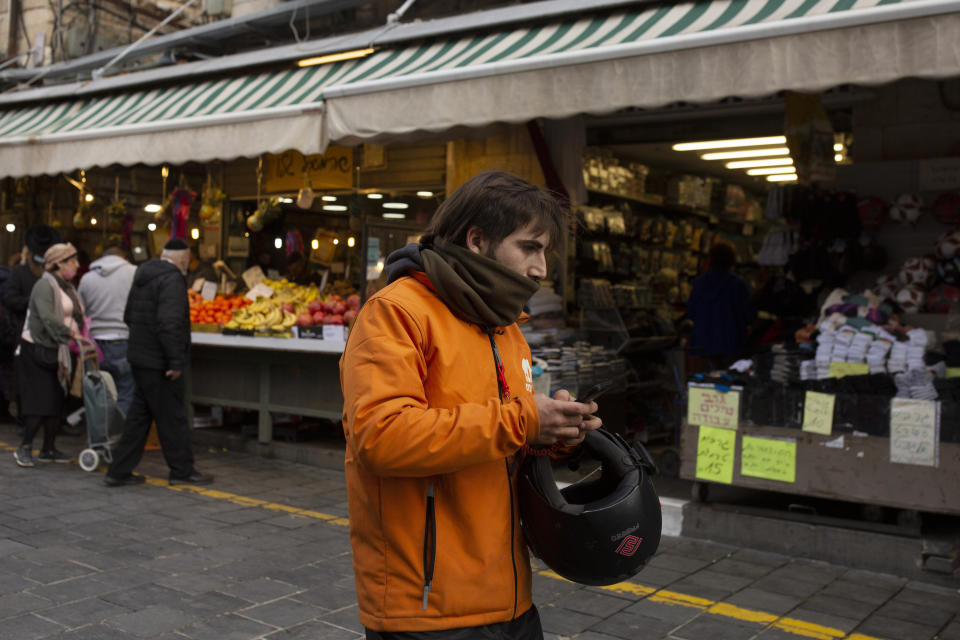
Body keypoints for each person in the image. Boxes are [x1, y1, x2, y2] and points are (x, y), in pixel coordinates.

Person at [339, 171, 601, 639]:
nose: (542, 269)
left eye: (545, 251)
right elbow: (381, 438)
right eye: (529, 248)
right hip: (428, 607)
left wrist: (552, 435)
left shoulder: (507, 327)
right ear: (477, 240)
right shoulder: (396, 313)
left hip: (511, 598)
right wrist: (524, 421)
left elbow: (501, 443)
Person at [103, 238, 213, 487]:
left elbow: (129, 315)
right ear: (183, 259)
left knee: (139, 417)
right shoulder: (172, 279)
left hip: (141, 357)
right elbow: (170, 323)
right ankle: (182, 470)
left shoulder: (143, 275)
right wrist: (175, 361)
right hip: (159, 361)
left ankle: (118, 471)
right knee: (172, 417)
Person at [13, 243, 83, 467]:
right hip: (37, 349)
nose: (77, 265)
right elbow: (47, 317)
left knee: (55, 400)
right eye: (72, 261)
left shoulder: (66, 286)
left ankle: (48, 448)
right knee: (40, 400)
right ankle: (24, 446)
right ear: (59, 264)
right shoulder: (44, 286)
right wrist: (70, 333)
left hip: (58, 349)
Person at [3, 225, 61, 428]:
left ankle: (49, 423)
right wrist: (35, 302)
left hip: (49, 336)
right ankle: (24, 421)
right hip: (25, 333)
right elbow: (10, 298)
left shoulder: (54, 274)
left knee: (49, 382)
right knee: (24, 381)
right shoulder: (19, 273)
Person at [78, 245, 137, 415]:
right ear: (124, 258)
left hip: (94, 342)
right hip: (123, 338)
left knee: (97, 392)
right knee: (125, 391)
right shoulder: (134, 273)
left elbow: (81, 310)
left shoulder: (87, 278)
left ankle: (99, 436)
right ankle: (119, 436)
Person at [686, 242, 756, 371]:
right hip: (732, 342)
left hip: (704, 342)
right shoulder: (738, 285)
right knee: (730, 382)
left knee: (707, 382)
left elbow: (691, 312)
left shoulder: (699, 283)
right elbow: (748, 315)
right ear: (731, 261)